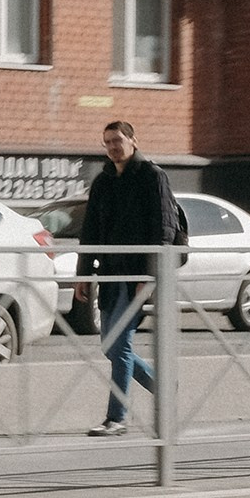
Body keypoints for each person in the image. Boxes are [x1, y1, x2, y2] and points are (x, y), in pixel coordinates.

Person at [75, 120, 181, 437]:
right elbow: (90, 231)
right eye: (107, 142)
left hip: (135, 273)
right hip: (108, 273)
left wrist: (149, 275)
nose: (112, 147)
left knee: (119, 345)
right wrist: (83, 274)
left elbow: (164, 229)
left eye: (117, 140)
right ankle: (161, 385)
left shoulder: (152, 176)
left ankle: (115, 418)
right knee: (109, 345)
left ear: (133, 140)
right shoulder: (103, 181)